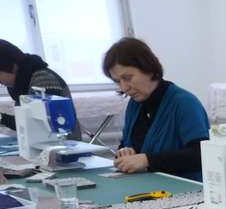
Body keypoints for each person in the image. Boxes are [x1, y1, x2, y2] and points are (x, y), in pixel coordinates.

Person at [101, 37, 209, 181]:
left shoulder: (184, 103)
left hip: (184, 186)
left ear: (149, 70)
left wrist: (147, 160)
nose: (124, 87)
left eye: (127, 78)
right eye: (118, 81)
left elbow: (201, 155)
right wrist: (124, 152)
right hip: (148, 184)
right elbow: (128, 145)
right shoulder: (134, 104)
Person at [0, 40, 81, 141]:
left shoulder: (42, 79)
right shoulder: (22, 81)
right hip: (43, 142)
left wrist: (2, 118)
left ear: (11, 65)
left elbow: (38, 125)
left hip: (62, 144)